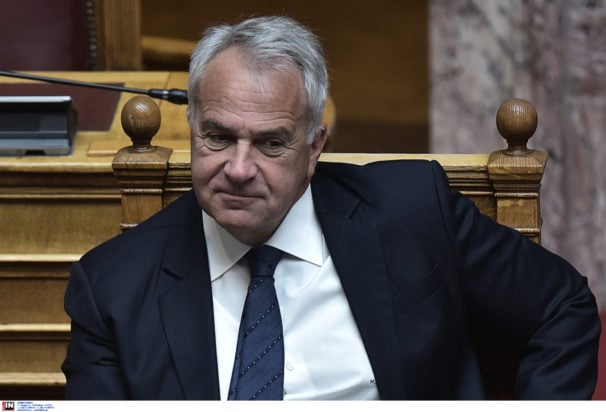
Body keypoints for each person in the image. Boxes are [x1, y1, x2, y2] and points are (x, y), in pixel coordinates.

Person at [61, 15, 601, 400]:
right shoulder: (113, 286)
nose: (239, 168)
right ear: (193, 128)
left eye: (271, 143)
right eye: (219, 137)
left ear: (314, 146)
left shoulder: (413, 210)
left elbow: (563, 306)